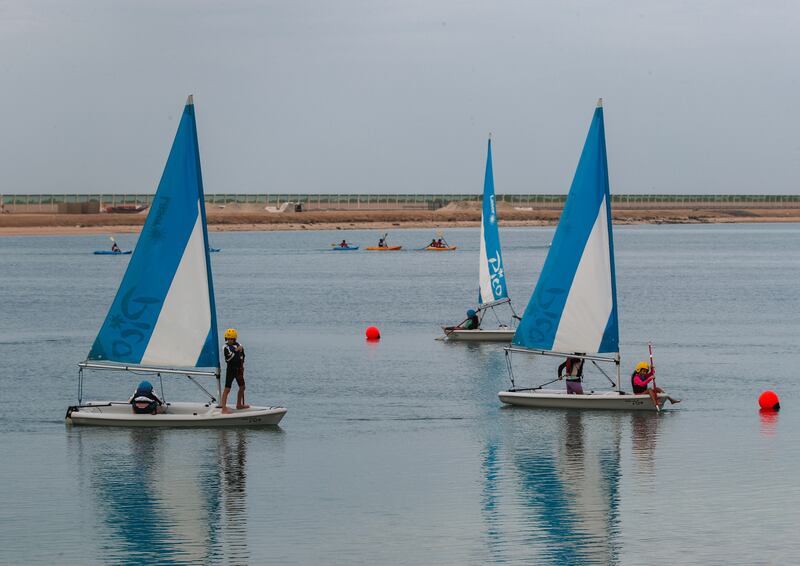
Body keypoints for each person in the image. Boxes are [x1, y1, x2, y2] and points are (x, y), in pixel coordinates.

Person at [220, 328, 249, 413]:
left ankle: (239, 405)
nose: (230, 340)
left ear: (235, 339)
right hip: (231, 370)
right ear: (226, 339)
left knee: (242, 387)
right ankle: (223, 408)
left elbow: (242, 356)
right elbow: (228, 359)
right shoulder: (225, 347)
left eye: (232, 339)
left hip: (239, 369)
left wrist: (242, 365)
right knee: (227, 389)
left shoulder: (239, 345)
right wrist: (236, 351)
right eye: (228, 339)